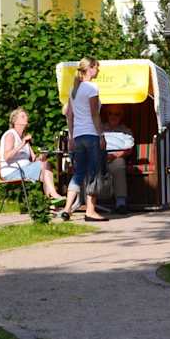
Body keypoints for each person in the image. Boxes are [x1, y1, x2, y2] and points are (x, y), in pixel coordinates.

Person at [61, 57, 109, 221]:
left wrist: (71, 137)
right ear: (90, 68)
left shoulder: (73, 89)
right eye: (96, 67)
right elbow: (95, 114)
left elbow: (69, 115)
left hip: (78, 136)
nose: (98, 70)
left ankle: (67, 208)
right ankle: (90, 211)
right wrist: (101, 135)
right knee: (94, 173)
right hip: (91, 134)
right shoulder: (91, 87)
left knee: (79, 173)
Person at [0, 107, 60, 206]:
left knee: (46, 167)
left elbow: (34, 159)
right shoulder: (10, 135)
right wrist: (22, 144)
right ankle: (54, 196)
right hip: (12, 171)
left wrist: (42, 156)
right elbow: (6, 157)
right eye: (22, 116)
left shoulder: (24, 137)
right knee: (45, 167)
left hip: (24, 169)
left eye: (26, 115)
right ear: (15, 121)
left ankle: (50, 204)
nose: (26, 117)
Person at [100, 103, 137, 211]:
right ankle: (88, 202)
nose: (113, 116)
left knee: (119, 165)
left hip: (116, 157)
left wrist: (115, 155)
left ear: (121, 116)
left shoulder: (126, 131)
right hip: (100, 155)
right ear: (106, 115)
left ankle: (121, 203)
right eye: (110, 113)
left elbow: (129, 149)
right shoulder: (100, 129)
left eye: (117, 114)